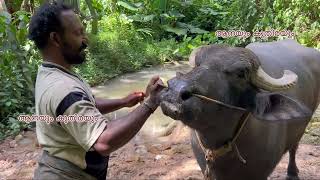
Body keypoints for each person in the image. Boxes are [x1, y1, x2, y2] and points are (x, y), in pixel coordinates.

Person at [28, 1, 164, 180]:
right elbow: (103, 141)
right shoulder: (63, 89)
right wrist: (150, 104)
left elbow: (84, 106)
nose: (85, 40)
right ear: (56, 39)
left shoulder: (51, 72)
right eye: (78, 33)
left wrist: (123, 101)